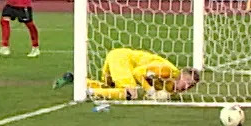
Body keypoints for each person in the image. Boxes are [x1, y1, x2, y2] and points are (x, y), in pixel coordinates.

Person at [60, 47, 201, 100]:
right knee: (130, 93)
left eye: (190, 86)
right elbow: (138, 72)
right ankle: (88, 91)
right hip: (122, 59)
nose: (186, 87)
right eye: (187, 82)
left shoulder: (172, 88)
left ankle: (76, 79)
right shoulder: (168, 71)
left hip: (117, 57)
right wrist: (150, 91)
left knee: (111, 89)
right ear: (182, 75)